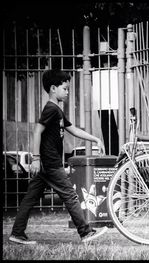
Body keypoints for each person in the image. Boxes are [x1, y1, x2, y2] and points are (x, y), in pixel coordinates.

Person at [9, 69, 108, 245]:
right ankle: (86, 232)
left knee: (30, 198)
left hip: (46, 164)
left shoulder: (57, 110)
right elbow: (37, 131)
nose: (68, 92)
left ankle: (17, 233)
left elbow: (73, 129)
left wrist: (95, 138)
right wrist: (36, 158)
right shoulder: (51, 109)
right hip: (50, 162)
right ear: (53, 88)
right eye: (65, 88)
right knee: (70, 195)